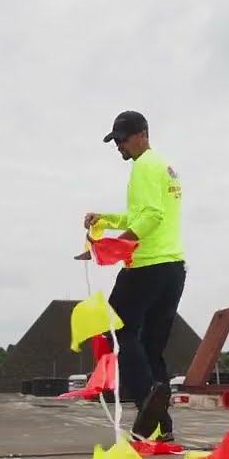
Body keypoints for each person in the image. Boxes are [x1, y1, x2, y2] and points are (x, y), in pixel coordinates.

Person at [83, 110, 185, 441]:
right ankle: (162, 428)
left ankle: (146, 403)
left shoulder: (143, 167)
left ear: (142, 134)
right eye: (115, 141)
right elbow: (139, 214)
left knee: (116, 329)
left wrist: (117, 246)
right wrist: (108, 220)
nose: (119, 147)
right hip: (173, 269)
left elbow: (151, 217)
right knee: (152, 348)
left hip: (146, 265)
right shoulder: (164, 168)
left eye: (123, 139)